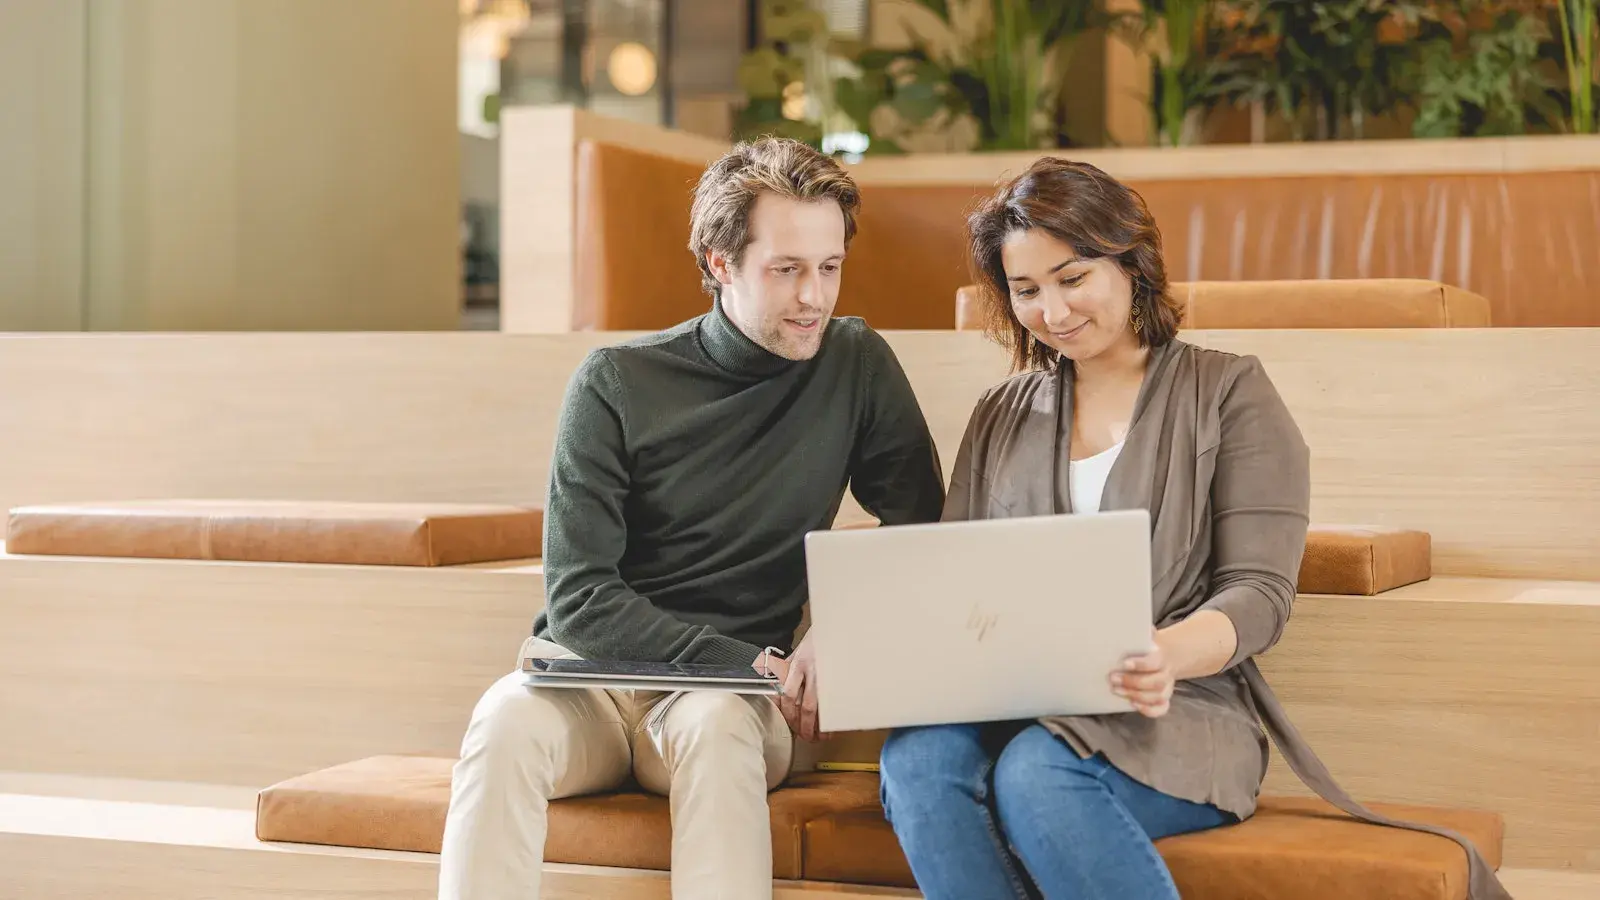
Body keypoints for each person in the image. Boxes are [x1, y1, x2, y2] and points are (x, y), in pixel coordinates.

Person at [877, 158, 1510, 900]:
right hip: (1015, 699)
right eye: (1026, 290)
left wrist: (1165, 654)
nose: (1052, 310)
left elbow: (1258, 592)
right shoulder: (999, 412)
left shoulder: (1230, 391)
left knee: (1037, 774)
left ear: (1131, 262)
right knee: (917, 763)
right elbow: (960, 579)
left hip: (1179, 707)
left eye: (1073, 278)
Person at [436, 137, 946, 900]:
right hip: (596, 685)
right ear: (719, 263)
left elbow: (925, 531)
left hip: (731, 703)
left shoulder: (855, 363)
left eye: (829, 267)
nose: (814, 297)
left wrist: (835, 631)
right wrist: (741, 660)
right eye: (786, 269)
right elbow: (578, 597)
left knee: (715, 725)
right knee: (503, 721)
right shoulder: (615, 383)